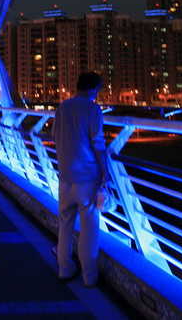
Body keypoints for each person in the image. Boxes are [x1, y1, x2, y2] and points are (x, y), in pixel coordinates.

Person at [52, 71, 108, 287]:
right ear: (93, 89)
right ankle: (89, 276)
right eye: (98, 90)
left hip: (65, 176)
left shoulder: (63, 107)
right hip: (87, 178)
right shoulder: (93, 109)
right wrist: (105, 172)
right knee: (89, 229)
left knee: (65, 225)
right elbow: (98, 144)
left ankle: (64, 269)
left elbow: (55, 136)